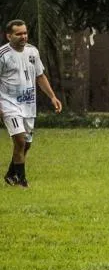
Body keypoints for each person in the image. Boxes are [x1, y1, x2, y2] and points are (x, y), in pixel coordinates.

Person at [1, 20, 63, 188]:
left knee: (26, 144)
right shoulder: (3, 55)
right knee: (20, 141)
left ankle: (10, 175)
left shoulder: (32, 52)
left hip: (28, 104)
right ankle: (22, 181)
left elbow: (40, 76)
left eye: (25, 33)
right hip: (8, 103)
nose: (23, 36)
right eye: (18, 34)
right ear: (9, 36)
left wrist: (52, 97)